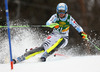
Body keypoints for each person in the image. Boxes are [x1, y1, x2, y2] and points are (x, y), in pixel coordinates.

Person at [13, 3, 87, 64]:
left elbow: (77, 26)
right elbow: (48, 23)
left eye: (63, 11)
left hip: (64, 38)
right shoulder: (55, 16)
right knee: (42, 48)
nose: (61, 13)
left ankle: (45, 55)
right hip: (54, 36)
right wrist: (53, 24)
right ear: (57, 11)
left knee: (59, 42)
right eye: (59, 11)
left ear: (66, 11)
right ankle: (20, 58)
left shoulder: (69, 18)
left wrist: (81, 32)